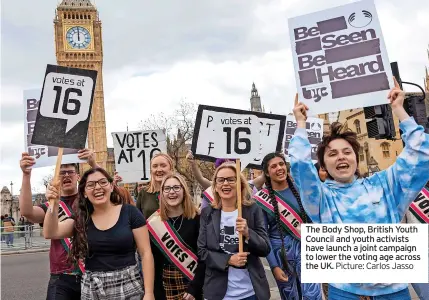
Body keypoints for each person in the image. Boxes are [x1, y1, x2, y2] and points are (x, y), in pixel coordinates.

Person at [289, 79, 429, 299]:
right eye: (332, 154)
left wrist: (399, 110)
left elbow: (423, 153)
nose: (341, 156)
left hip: (393, 292)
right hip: (344, 292)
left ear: (356, 158)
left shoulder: (384, 184)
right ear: (323, 166)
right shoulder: (321, 198)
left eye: (347, 151)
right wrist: (300, 124)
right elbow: (298, 164)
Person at [43, 167, 155, 300]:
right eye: (91, 185)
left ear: (112, 186)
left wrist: (149, 293)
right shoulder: (81, 219)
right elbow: (50, 232)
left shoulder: (130, 213)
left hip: (128, 286)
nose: (97, 188)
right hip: (93, 289)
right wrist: (54, 204)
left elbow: (145, 253)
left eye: (103, 182)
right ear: (84, 192)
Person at [19, 149, 96, 300]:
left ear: (78, 176)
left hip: (90, 271)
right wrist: (26, 175)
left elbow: (108, 191)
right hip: (61, 276)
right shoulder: (50, 205)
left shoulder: (90, 201)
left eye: (70, 172)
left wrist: (93, 164)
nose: (66, 175)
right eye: (62, 173)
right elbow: (27, 211)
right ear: (56, 178)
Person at [198, 162, 271, 300]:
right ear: (216, 186)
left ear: (240, 184)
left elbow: (265, 248)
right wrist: (228, 260)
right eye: (221, 180)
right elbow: (202, 252)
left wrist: (248, 233)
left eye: (231, 179)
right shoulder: (207, 213)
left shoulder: (253, 210)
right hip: (218, 293)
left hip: (251, 292)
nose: (226, 183)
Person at [253, 152, 321, 299]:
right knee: (290, 296)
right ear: (267, 172)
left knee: (312, 295)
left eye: (281, 164)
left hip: (307, 252)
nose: (279, 168)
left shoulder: (302, 190)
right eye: (274, 166)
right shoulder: (261, 199)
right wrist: (274, 266)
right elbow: (264, 236)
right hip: (280, 256)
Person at [147, 173, 205, 300]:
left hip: (193, 285)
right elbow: (153, 262)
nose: (171, 192)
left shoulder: (197, 218)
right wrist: (154, 291)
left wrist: (194, 287)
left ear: (184, 190)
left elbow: (204, 256)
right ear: (162, 193)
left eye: (176, 187)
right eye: (167, 188)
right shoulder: (154, 223)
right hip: (165, 286)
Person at [186, 151, 265, 210]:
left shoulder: (249, 187)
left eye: (231, 179)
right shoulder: (214, 187)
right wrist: (193, 164)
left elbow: (264, 176)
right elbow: (200, 178)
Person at [136, 153, 174, 219]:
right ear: (151, 170)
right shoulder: (143, 193)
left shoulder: (179, 191)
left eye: (163, 165)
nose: (159, 170)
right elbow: (137, 221)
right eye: (155, 166)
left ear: (171, 168)